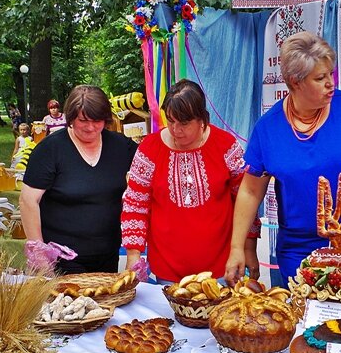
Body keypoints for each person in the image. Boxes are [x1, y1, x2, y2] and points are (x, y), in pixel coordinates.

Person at [224, 31, 341, 293]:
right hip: (302, 245)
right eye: (320, 78)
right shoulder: (268, 129)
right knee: (308, 325)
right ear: (295, 82)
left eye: (331, 74)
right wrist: (237, 247)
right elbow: (250, 191)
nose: (331, 83)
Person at [120, 80, 260, 283]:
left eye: (184, 123)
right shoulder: (149, 149)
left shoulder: (225, 145)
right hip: (167, 271)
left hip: (221, 268)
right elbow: (135, 204)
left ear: (201, 118)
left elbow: (246, 199)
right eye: (170, 121)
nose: (176, 129)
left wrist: (248, 248)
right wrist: (133, 254)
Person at [20, 85, 138, 274]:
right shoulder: (49, 150)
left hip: (107, 253)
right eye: (83, 120)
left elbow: (149, 173)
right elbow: (27, 201)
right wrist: (39, 253)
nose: (91, 127)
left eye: (97, 121)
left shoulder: (121, 146)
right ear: (71, 118)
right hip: (62, 257)